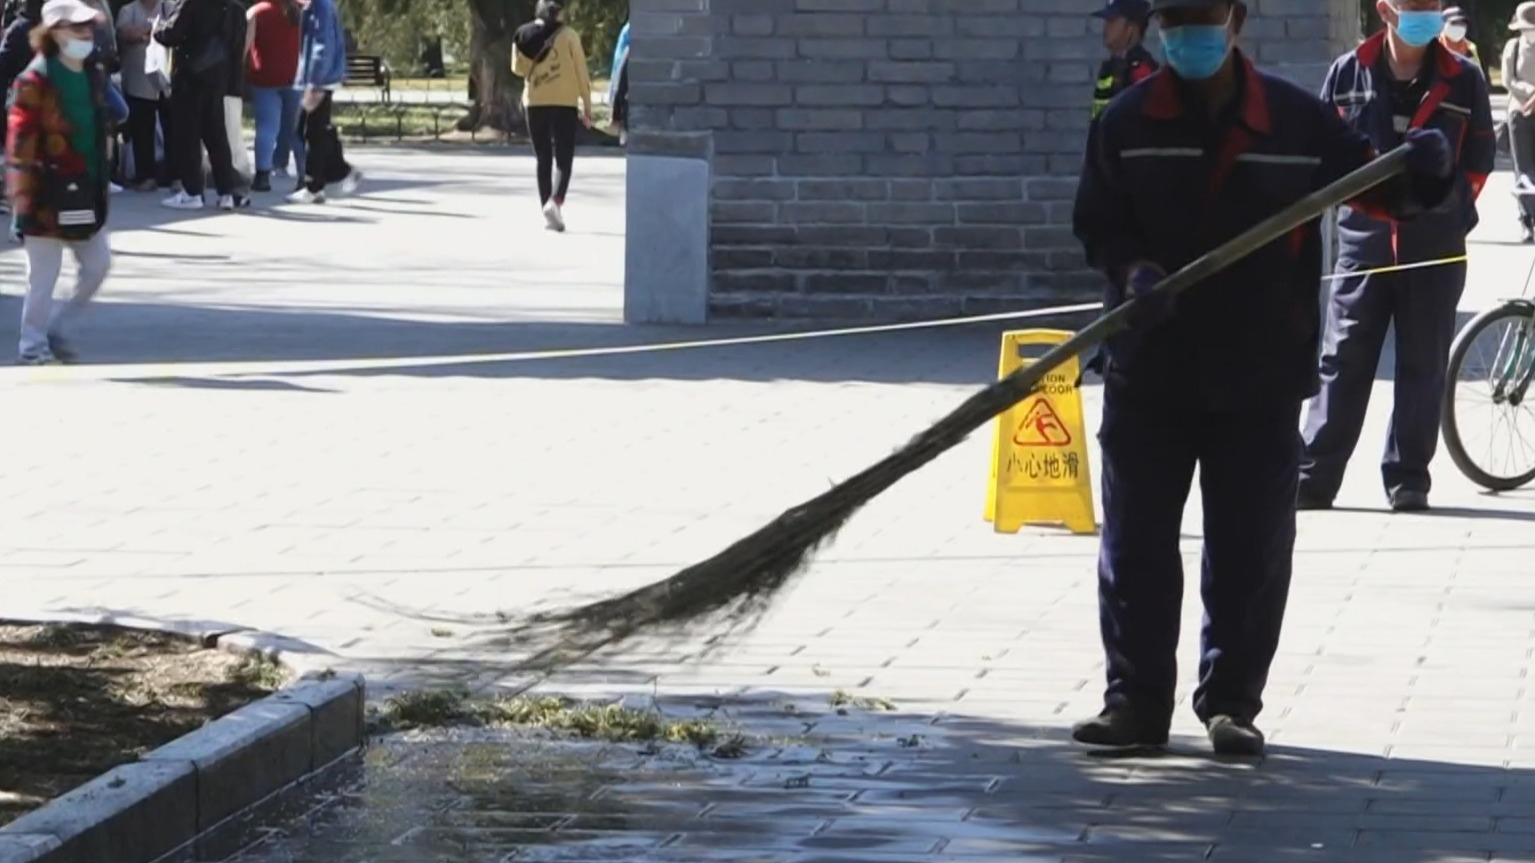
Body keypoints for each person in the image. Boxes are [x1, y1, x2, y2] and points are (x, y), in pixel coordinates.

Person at [1070, 0, 1453, 754]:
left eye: (1201, 18)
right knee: (1136, 540)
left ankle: (1231, 703)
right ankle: (1135, 704)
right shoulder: (1129, 119)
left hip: (1258, 369)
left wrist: (1424, 171)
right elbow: (1097, 220)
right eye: (1175, 20)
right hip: (1151, 363)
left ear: (1235, 18)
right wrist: (1133, 269)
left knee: (1249, 545)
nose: (1189, 35)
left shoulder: (1292, 119)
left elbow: (1378, 189)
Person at [1298, 0, 1496, 513]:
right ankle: (1315, 476)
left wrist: (1449, 212)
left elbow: (1479, 158)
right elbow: (1322, 155)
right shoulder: (1349, 73)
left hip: (1434, 249)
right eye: (1416, 6)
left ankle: (1408, 477)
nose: (1426, 15)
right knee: (1342, 361)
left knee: (1423, 361)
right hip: (1362, 246)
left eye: (1432, 6)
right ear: (1385, 9)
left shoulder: (1463, 78)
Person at [7, 0, 114, 365]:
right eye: (76, 28)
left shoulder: (91, 72)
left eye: (88, 27)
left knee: (98, 264)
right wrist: (21, 202)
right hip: (44, 196)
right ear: (54, 32)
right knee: (43, 277)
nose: (85, 34)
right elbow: (19, 147)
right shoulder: (33, 80)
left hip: (85, 191)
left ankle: (58, 327)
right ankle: (32, 345)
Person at [153, 0, 240, 210]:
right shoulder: (232, 7)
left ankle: (192, 191)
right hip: (217, 74)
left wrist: (157, 29)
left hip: (189, 76)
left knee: (188, 135)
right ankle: (226, 191)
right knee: (216, 134)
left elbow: (172, 34)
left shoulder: (190, 3)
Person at [512, 0, 590, 232]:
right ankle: (555, 201)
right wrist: (587, 104)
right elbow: (581, 70)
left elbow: (516, 68)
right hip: (565, 102)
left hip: (535, 101)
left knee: (543, 156)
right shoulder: (569, 36)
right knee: (564, 157)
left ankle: (546, 206)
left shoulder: (521, 34)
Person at [289, 0, 358, 204]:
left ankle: (317, 184)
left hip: (319, 80)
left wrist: (315, 83)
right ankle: (337, 172)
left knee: (309, 130)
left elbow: (322, 45)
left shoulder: (320, 7)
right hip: (319, 78)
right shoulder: (318, 6)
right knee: (313, 129)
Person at [245, 0, 302, 191]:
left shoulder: (256, 12)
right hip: (294, 76)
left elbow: (245, 46)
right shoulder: (298, 10)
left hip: (265, 78)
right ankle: (304, 176)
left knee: (266, 128)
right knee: (297, 129)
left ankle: (262, 176)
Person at [116, 0, 171, 190]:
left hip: (167, 81)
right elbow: (124, 33)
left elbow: (177, 31)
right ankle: (145, 177)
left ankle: (176, 176)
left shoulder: (169, 7)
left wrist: (142, 33)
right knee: (142, 131)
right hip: (138, 81)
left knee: (174, 130)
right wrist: (154, 32)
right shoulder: (129, 10)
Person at [1089, 0, 1158, 121]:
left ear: (1131, 28)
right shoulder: (1111, 67)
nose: (1106, 28)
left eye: (1112, 21)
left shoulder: (1142, 71)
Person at [1505, 1, 1535, 242]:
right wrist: (1532, 92)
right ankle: (1527, 219)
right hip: (1520, 112)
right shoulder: (1513, 47)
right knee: (1523, 170)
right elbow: (1509, 80)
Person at [217, 0, 250, 204]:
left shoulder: (232, 10)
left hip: (224, 81)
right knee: (230, 135)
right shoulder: (235, 9)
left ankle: (238, 186)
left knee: (230, 135)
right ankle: (234, 186)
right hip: (228, 81)